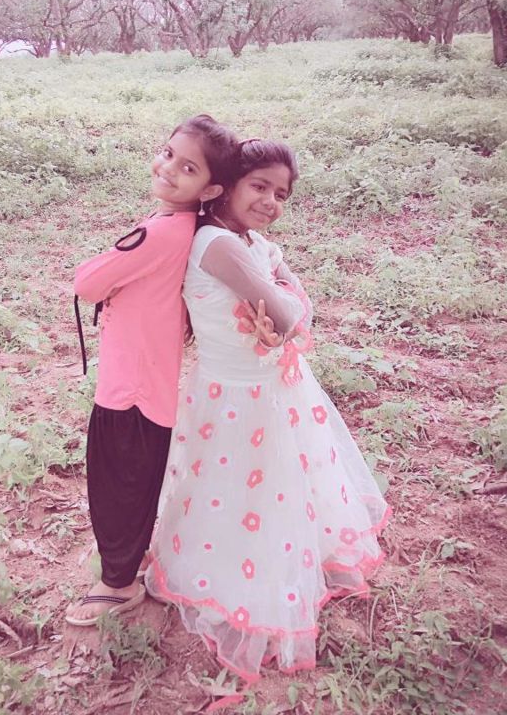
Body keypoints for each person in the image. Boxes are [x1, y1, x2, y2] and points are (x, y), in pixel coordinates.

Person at [145, 139, 391, 680]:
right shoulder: (217, 243)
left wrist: (285, 294)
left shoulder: (248, 240)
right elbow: (288, 317)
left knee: (271, 483)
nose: (270, 201)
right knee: (241, 484)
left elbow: (293, 310)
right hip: (237, 395)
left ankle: (274, 553)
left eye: (281, 194)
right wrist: (287, 294)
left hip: (267, 388)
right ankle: (238, 569)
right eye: (259, 186)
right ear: (226, 186)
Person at [66, 115, 239, 626]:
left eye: (187, 168)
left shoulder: (161, 233)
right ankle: (131, 559)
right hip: (147, 382)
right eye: (167, 154)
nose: (167, 168)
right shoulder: (181, 227)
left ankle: (117, 585)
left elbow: (88, 283)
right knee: (133, 481)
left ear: (210, 189)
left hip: (131, 388)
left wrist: (106, 274)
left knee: (116, 485)